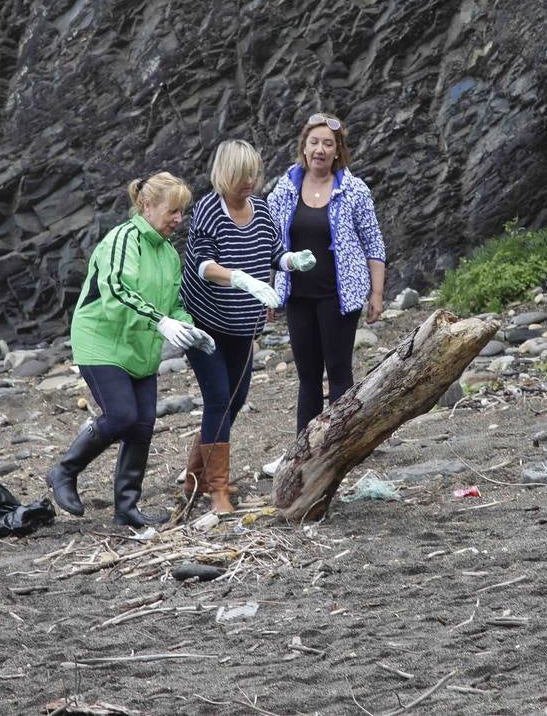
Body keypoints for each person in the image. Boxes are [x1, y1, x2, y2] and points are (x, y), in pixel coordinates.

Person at [46, 172, 215, 526]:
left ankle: (126, 509)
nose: (178, 220)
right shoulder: (124, 238)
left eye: (182, 212)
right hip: (101, 340)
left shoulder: (169, 253)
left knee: (142, 425)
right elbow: (117, 291)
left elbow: (174, 302)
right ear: (147, 205)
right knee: (121, 416)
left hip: (140, 347)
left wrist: (187, 326)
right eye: (173, 211)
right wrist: (162, 322)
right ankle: (63, 471)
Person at [179, 140, 317, 513]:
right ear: (225, 174)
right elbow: (204, 266)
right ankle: (217, 492)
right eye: (242, 176)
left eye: (254, 174)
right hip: (204, 322)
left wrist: (292, 261)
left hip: (243, 323)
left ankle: (194, 477)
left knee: (235, 400)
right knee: (219, 399)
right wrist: (243, 280)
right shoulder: (209, 208)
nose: (249, 182)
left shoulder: (261, 210)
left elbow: (274, 252)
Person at [268, 113, 386, 437]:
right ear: (304, 148)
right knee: (307, 376)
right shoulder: (284, 188)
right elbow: (269, 240)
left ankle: (341, 443)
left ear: (338, 151)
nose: (320, 149)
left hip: (338, 295)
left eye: (328, 144)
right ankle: (304, 448)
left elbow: (373, 242)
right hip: (297, 295)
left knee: (338, 371)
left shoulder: (353, 189)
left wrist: (376, 294)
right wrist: (268, 290)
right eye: (314, 142)